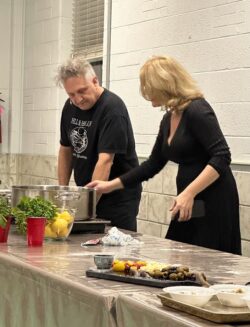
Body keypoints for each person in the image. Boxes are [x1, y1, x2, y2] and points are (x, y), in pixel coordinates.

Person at [87, 55, 242, 255]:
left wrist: (189, 192)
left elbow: (222, 156)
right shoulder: (169, 118)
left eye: (150, 91)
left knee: (208, 256)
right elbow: (153, 164)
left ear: (164, 85)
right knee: (180, 253)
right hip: (188, 199)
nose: (148, 97)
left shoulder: (197, 110)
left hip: (213, 199)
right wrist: (110, 185)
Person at [55, 56, 142, 231]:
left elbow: (105, 161)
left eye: (82, 91)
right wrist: (62, 193)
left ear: (95, 81)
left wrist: (85, 208)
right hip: (88, 194)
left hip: (117, 198)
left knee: (114, 250)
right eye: (71, 94)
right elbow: (66, 149)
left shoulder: (112, 109)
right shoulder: (70, 106)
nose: (78, 99)